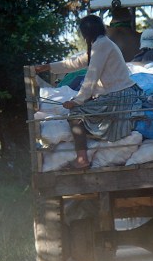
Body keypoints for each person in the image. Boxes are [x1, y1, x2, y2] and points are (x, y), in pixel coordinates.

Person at [34, 15, 144, 169]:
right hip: (117, 95)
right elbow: (77, 62)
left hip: (118, 98)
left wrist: (76, 101)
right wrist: (49, 67)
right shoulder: (101, 44)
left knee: (76, 115)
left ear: (85, 34)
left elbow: (91, 78)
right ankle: (92, 141)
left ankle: (82, 159)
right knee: (85, 109)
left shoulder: (102, 46)